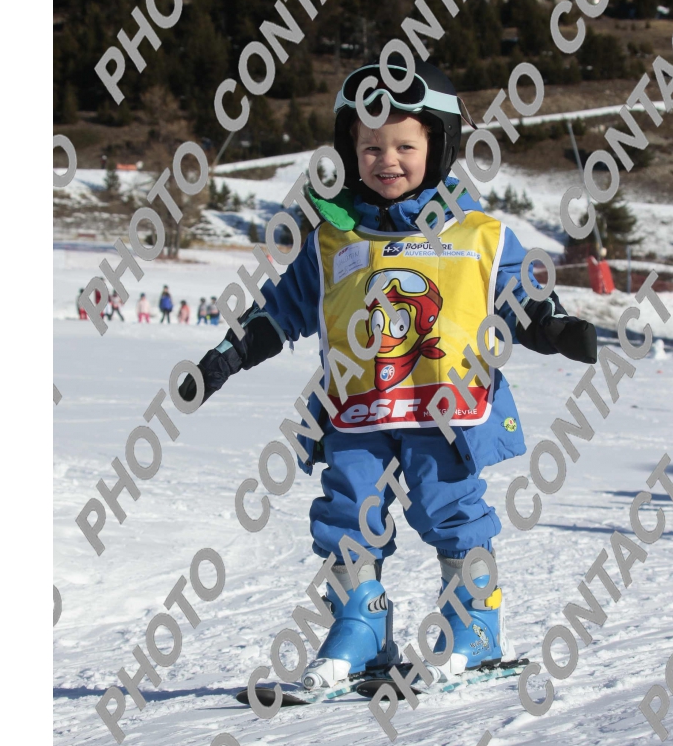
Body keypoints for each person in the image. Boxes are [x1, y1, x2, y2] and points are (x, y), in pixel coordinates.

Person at [178, 61, 597, 691]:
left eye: (405, 146)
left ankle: (476, 627)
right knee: (349, 511)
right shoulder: (332, 241)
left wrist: (554, 328)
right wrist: (226, 357)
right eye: (371, 147)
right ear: (350, 150)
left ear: (439, 146)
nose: (387, 160)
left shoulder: (478, 235)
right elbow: (281, 310)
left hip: (444, 408)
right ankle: (362, 629)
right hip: (357, 410)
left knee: (447, 506)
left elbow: (520, 296)